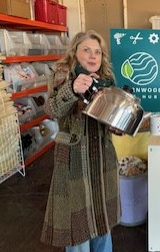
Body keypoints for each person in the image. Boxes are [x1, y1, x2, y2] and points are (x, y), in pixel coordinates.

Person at [40, 30, 120, 252]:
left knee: (102, 222)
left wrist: (118, 123)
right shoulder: (61, 77)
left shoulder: (107, 82)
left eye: (98, 52)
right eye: (86, 50)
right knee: (78, 229)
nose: (93, 56)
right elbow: (51, 109)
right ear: (75, 52)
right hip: (75, 161)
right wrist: (73, 89)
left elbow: (110, 120)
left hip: (102, 159)